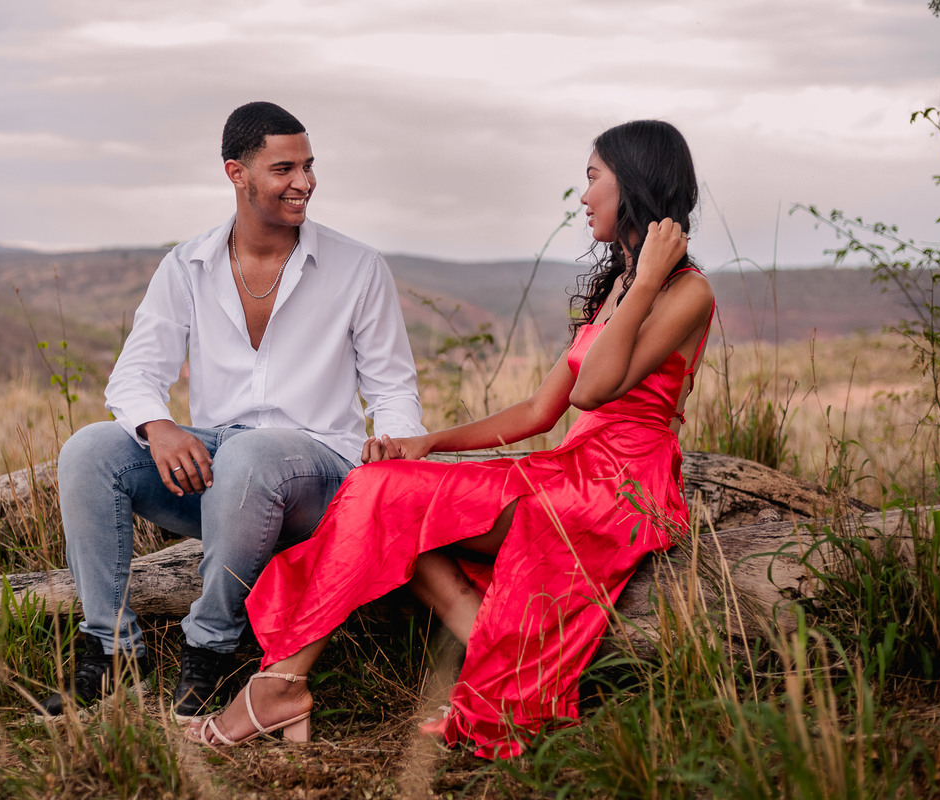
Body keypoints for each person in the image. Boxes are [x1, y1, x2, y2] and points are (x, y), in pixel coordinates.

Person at [185, 119, 716, 758]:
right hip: (575, 464)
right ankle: (462, 645)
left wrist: (651, 280)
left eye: (593, 179)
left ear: (633, 185)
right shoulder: (624, 286)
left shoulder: (687, 291)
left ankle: (280, 688)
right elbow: (537, 411)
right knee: (382, 485)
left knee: (391, 505)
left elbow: (590, 391)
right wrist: (428, 444)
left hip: (620, 491)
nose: (583, 198)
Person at [37, 101, 425, 721]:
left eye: (309, 166)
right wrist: (158, 426)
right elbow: (135, 375)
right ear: (236, 173)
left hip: (320, 473)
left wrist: (398, 443)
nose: (305, 182)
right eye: (284, 168)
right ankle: (112, 653)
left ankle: (211, 649)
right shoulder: (187, 266)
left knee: (250, 452)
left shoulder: (357, 267)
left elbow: (394, 389)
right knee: (91, 450)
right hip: (221, 476)